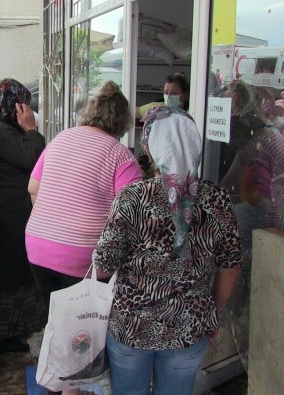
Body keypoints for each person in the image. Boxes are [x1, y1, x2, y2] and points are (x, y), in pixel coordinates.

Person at [92, 107, 243, 395]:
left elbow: (103, 265)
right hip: (189, 326)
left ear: (149, 147)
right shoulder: (217, 199)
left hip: (131, 326)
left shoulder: (133, 197)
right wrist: (212, 309)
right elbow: (231, 264)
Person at [25, 81, 142, 324]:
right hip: (84, 258)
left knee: (56, 324)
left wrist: (55, 222)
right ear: (122, 123)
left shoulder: (60, 139)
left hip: (38, 247)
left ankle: (52, 361)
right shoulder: (120, 156)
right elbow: (132, 214)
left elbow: (33, 189)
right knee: (83, 334)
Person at [0, 78, 46, 351]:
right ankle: (6, 335)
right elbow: (37, 158)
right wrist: (31, 130)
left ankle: (12, 333)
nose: (25, 111)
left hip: (10, 210)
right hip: (9, 213)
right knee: (10, 274)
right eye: (21, 105)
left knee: (14, 272)